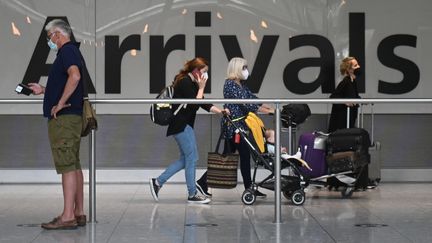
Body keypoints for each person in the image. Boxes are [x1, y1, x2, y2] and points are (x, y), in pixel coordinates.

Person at [27, 19, 86, 230]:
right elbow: (67, 80)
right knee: (74, 164)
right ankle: (78, 212)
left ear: (59, 35)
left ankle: (67, 215)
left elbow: (75, 76)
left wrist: (60, 103)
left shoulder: (67, 51)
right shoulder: (69, 52)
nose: (49, 40)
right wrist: (44, 90)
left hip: (65, 119)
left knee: (67, 166)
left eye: (50, 36)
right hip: (72, 118)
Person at [149, 57, 228, 204]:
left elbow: (204, 103)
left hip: (183, 125)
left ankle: (157, 182)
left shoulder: (191, 83)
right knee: (192, 158)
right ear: (196, 71)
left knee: (185, 159)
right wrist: (201, 87)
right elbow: (194, 105)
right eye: (204, 72)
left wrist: (220, 111)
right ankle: (192, 194)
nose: (205, 76)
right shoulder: (185, 82)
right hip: (181, 125)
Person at [196, 57, 274, 198]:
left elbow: (252, 98)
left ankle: (203, 182)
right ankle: (248, 188)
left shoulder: (241, 85)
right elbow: (246, 104)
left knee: (227, 157)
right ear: (236, 69)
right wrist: (267, 110)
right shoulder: (230, 85)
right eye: (244, 68)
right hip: (234, 127)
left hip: (240, 126)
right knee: (240, 156)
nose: (246, 70)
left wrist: (267, 106)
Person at [328, 57, 361, 133]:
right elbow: (333, 97)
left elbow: (354, 96)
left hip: (349, 118)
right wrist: (344, 102)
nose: (358, 67)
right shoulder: (346, 82)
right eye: (355, 65)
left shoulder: (353, 81)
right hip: (342, 121)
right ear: (349, 70)